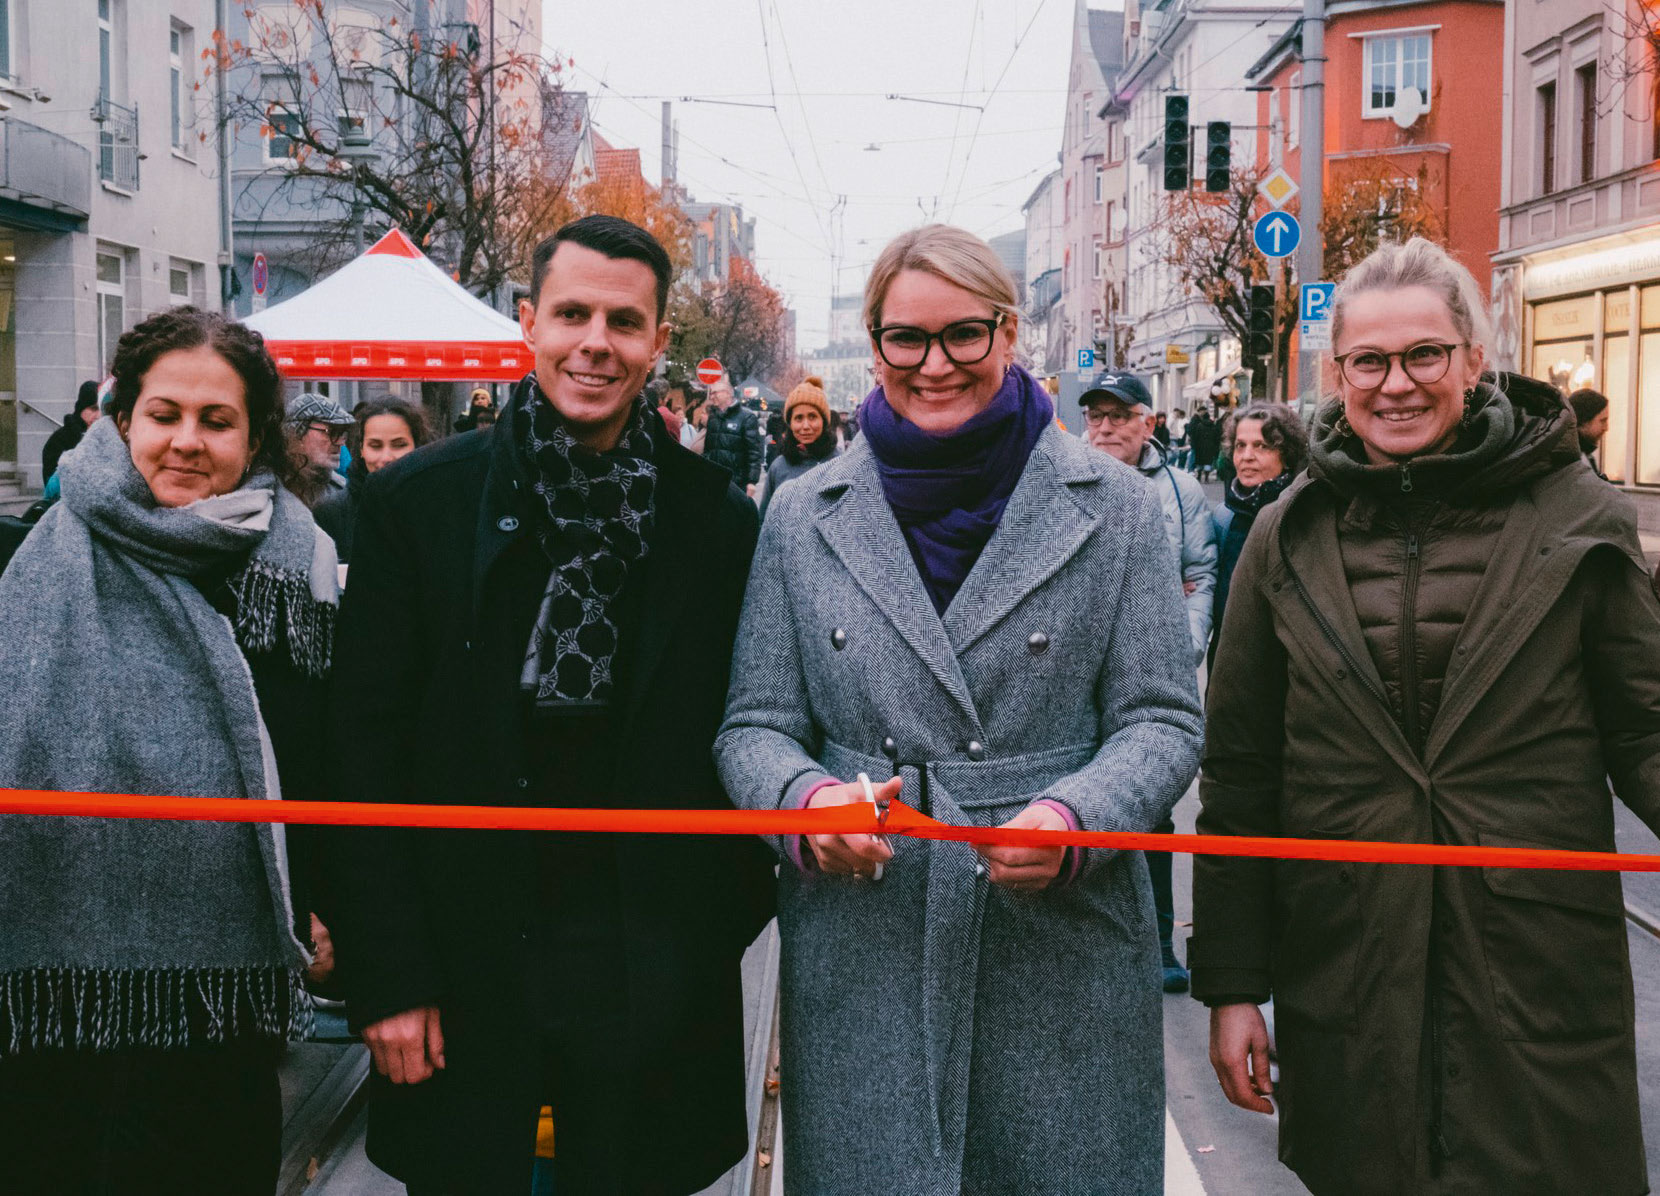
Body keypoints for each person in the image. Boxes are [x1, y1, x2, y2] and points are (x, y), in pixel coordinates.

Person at [716, 223, 1204, 1194]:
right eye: (906, 338)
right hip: (868, 944)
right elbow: (754, 724)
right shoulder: (802, 514)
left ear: (1008, 332)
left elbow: (1162, 717)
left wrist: (1075, 817)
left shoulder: (1111, 504)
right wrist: (810, 808)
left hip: (1058, 944)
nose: (933, 365)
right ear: (873, 340)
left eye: (962, 335)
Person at [1192, 237, 1660, 1195]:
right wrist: (1232, 985)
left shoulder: (1578, 516)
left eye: (1423, 356)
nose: (1395, 385)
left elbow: (1647, 732)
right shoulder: (1288, 535)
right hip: (1354, 965)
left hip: (1533, 970)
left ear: (1474, 360)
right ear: (1337, 373)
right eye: (1370, 361)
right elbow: (1241, 772)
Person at [322, 214, 775, 1195]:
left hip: (648, 944)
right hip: (462, 935)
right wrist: (389, 972)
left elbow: (752, 720)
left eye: (623, 320)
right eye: (571, 313)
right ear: (527, 322)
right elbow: (362, 743)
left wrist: (706, 932)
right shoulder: (418, 505)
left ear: (658, 341)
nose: (594, 343)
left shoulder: (714, 520)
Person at [0, 307, 337, 1194]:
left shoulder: (298, 565)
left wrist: (329, 898)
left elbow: (324, 749)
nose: (187, 441)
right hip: (53, 978)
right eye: (164, 414)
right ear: (121, 420)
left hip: (223, 982)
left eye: (216, 421)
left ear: (256, 435)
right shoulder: (31, 557)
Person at [1080, 369, 1218, 994]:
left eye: (1119, 415)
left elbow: (1199, 574)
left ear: (1148, 423)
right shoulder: (1063, 479)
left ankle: (1158, 940)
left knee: (1152, 809)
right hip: (1083, 673)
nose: (1105, 427)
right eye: (1096, 416)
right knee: (1085, 800)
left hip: (1153, 670)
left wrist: (1181, 648)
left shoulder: (1181, 490)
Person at [1208, 403, 1308, 666]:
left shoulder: (1305, 512)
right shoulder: (1224, 517)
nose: (1247, 456)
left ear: (1286, 454)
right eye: (1240, 445)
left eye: (1262, 446)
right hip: (1229, 661)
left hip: (1288, 665)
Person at [314, 395, 431, 564]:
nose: (386, 457)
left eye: (399, 445)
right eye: (375, 446)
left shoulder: (440, 507)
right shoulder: (331, 512)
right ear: (361, 449)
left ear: (417, 446)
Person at [759, 374, 838, 519]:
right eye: (798, 418)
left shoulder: (841, 464)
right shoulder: (778, 467)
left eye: (812, 416)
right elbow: (764, 520)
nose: (805, 426)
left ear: (824, 421)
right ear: (790, 424)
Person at [283, 391, 354, 508]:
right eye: (331, 432)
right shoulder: (268, 488)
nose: (340, 442)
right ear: (297, 434)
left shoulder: (341, 492)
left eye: (342, 433)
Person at [701, 375, 764, 495]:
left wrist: (752, 481)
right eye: (711, 393)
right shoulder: (713, 417)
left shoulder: (747, 417)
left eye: (715, 393)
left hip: (736, 483)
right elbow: (708, 449)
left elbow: (754, 452)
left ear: (728, 393)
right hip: (713, 480)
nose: (711, 397)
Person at [41, 380, 101, 484]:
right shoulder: (59, 440)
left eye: (102, 409)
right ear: (81, 408)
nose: (99, 415)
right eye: (93, 409)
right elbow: (52, 481)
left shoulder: (107, 436)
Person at [1569, 387, 1610, 479]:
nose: (1606, 428)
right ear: (1584, 422)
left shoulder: (1582, 454)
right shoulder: (1571, 461)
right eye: (1603, 421)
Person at [1187, 404, 1220, 481]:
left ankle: (1198, 476)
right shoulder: (1213, 425)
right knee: (1208, 461)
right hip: (1210, 446)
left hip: (1200, 446)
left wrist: (1195, 443)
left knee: (1200, 461)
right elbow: (1216, 436)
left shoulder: (1199, 425)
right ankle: (1206, 477)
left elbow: (1196, 436)